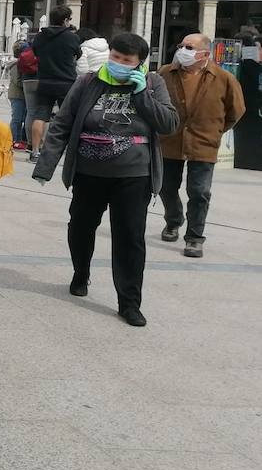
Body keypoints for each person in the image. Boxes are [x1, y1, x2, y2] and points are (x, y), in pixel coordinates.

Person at [33, 33, 179, 326]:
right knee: (80, 227)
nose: (119, 64)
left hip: (133, 173)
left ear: (139, 63)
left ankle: (129, 302)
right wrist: (45, 165)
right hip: (89, 172)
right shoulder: (88, 82)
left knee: (130, 238)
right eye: (115, 57)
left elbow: (169, 124)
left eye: (126, 61)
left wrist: (142, 96)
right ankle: (81, 272)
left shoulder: (153, 84)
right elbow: (63, 122)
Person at [158, 33, 244, 259]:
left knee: (199, 192)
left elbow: (236, 112)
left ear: (205, 54)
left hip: (204, 143)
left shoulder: (224, 78)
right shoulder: (165, 73)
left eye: (188, 47)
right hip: (170, 140)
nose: (181, 50)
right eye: (181, 45)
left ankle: (195, 237)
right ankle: (173, 220)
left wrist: (215, 131)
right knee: (165, 187)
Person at [29, 6, 81, 161]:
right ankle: (67, 151)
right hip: (66, 82)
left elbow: (36, 53)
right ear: (65, 20)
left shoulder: (40, 36)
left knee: (40, 116)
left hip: (45, 80)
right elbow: (77, 54)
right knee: (68, 117)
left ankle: (35, 151)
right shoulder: (71, 37)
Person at [8, 40, 29, 150]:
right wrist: (28, 84)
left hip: (21, 94)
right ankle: (13, 139)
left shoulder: (21, 63)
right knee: (17, 118)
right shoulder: (16, 65)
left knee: (22, 117)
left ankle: (19, 139)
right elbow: (17, 80)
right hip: (17, 94)